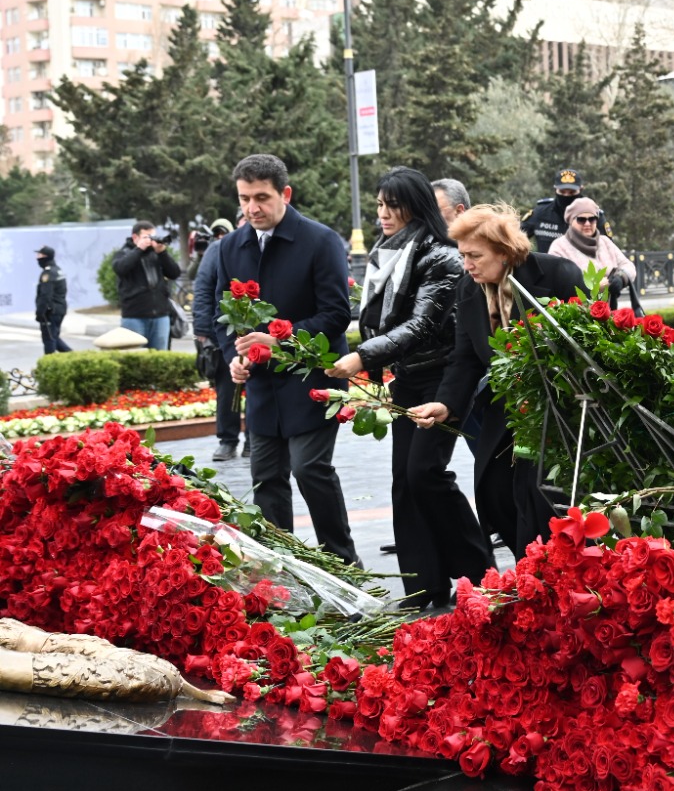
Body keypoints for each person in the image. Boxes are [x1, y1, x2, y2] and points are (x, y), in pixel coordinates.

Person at [329, 168, 490, 610]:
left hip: (443, 377)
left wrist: (364, 357)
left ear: (414, 206)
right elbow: (381, 317)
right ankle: (425, 587)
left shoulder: (441, 256)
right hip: (409, 377)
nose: (382, 214)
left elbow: (421, 325)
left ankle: (480, 573)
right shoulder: (388, 251)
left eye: (391, 205)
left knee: (424, 474)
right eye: (379, 204)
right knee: (405, 481)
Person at [410, 205, 584, 554]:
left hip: (559, 409)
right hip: (507, 407)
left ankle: (551, 578)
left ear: (504, 253)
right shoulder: (469, 288)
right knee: (494, 492)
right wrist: (446, 403)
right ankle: (529, 570)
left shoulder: (557, 274)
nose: (467, 265)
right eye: (463, 255)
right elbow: (465, 359)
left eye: (475, 255)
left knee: (541, 498)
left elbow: (585, 345)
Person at [214, 154, 360, 566]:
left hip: (312, 381)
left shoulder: (320, 240)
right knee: (266, 482)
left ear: (285, 194)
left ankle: (345, 568)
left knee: (311, 471)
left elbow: (336, 314)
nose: (251, 208)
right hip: (262, 389)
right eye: (244, 198)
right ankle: (286, 576)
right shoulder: (230, 246)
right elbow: (223, 315)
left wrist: (282, 338)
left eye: (262, 197)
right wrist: (234, 358)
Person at [192, 218, 246, 461]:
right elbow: (203, 288)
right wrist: (203, 331)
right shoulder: (219, 248)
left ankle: (255, 441)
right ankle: (228, 440)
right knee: (227, 390)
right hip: (224, 332)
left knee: (259, 390)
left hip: (259, 331)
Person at [547, 196, 638, 308]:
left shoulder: (605, 242)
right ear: (571, 221)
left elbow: (628, 266)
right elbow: (557, 284)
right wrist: (596, 287)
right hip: (576, 317)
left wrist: (621, 277)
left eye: (592, 219)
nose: (587, 223)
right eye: (581, 219)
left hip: (608, 314)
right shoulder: (559, 247)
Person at [112, 220, 182, 350]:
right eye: (146, 237)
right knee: (135, 358)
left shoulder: (156, 254)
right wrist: (139, 249)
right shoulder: (124, 253)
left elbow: (174, 273)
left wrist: (162, 253)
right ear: (135, 237)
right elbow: (121, 268)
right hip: (134, 317)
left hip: (160, 316)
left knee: (161, 359)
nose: (150, 240)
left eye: (152, 236)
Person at [522, 169, 607, 253]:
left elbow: (609, 249)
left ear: (580, 190)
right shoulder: (540, 213)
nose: (566, 196)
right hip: (546, 265)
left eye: (572, 192)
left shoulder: (594, 216)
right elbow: (515, 240)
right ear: (555, 189)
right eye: (562, 192)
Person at [34, 246, 70, 355]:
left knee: (49, 340)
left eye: (39, 255)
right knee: (54, 337)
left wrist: (40, 312)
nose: (37, 258)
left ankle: (49, 365)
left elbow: (45, 295)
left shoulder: (48, 273)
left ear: (46, 257)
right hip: (59, 309)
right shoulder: (57, 270)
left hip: (51, 312)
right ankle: (73, 357)